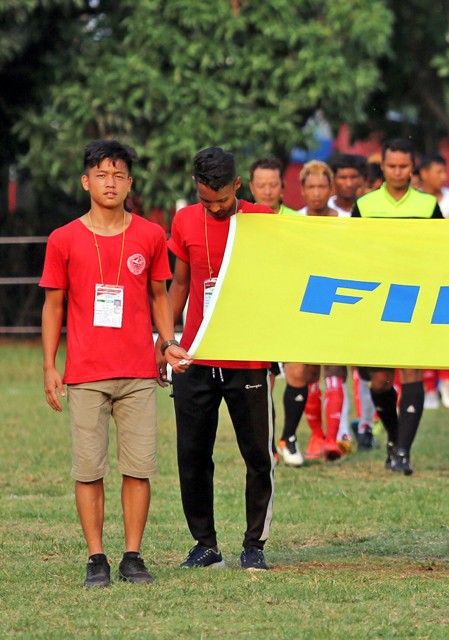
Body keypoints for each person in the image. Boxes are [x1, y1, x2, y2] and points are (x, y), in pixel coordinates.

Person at [40, 139, 192, 587]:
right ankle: (95, 558)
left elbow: (160, 296)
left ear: (130, 183)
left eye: (119, 175)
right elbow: (53, 306)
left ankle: (132, 555)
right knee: (89, 469)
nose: (110, 182)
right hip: (85, 372)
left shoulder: (148, 235)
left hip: (139, 373)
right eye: (102, 174)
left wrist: (167, 342)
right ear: (86, 181)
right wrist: (50, 365)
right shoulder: (63, 238)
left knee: (138, 467)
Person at [168, 148, 276, 570]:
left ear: (237, 185)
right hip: (195, 356)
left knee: (257, 456)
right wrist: (165, 339)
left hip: (247, 358)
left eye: (221, 201)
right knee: (193, 455)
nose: (213, 208)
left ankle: (255, 546)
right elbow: (179, 283)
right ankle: (205, 544)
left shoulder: (263, 220)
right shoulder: (183, 220)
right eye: (204, 201)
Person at [351, 138, 443, 475]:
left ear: (412, 167)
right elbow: (350, 251)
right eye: (392, 166)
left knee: (411, 371)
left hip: (415, 298)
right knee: (380, 381)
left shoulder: (428, 204)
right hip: (376, 300)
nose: (398, 172)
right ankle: (393, 437)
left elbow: (445, 249)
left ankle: (403, 452)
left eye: (404, 166)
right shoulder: (365, 204)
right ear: (383, 167)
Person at [276, 160, 349, 465]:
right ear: (302, 189)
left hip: (340, 303)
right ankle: (316, 436)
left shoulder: (347, 219)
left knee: (334, 367)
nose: (317, 192)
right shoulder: (295, 222)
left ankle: (333, 438)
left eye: (322, 186)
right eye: (311, 187)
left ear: (330, 189)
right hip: (304, 304)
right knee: (306, 373)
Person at [417, 153, 449, 410]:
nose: (443, 177)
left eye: (444, 172)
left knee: (446, 325)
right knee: (425, 326)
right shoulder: (415, 201)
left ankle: (447, 380)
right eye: (438, 171)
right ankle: (429, 387)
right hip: (420, 272)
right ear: (424, 173)